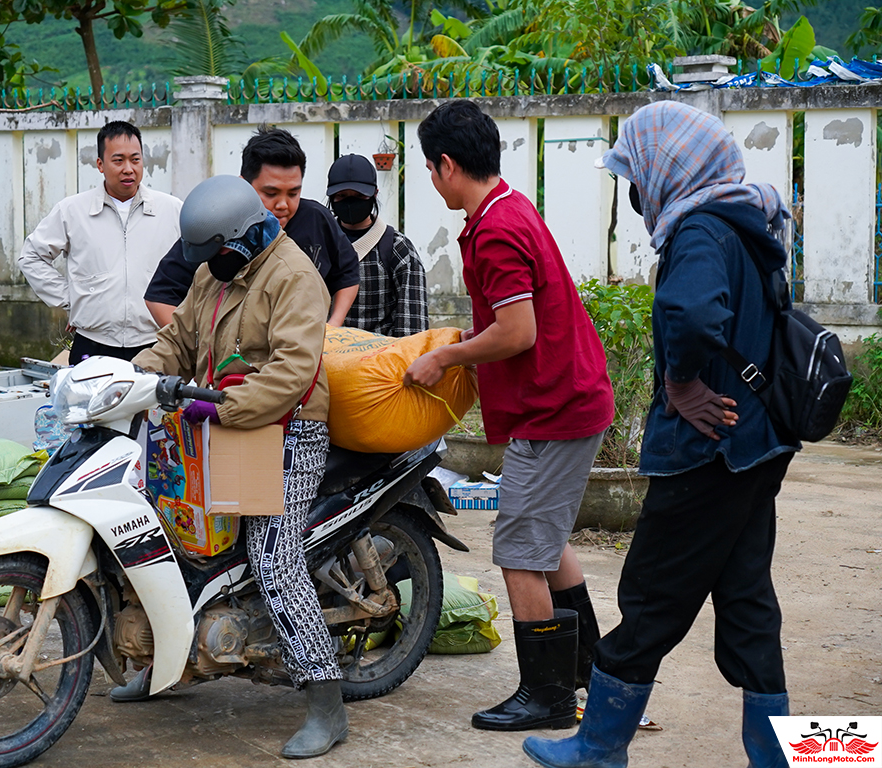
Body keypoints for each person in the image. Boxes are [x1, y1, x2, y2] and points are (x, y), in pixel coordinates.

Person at [523, 101, 799, 768]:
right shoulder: (747, 219)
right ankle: (779, 755)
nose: (634, 191)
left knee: (650, 597)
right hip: (754, 445)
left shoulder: (700, 229)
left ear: (666, 171)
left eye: (635, 175)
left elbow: (693, 315)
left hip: (707, 453)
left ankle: (598, 746)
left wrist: (680, 382)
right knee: (747, 602)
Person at [403, 100, 614, 732]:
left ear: (447, 164)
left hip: (555, 408)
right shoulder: (508, 207)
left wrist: (447, 357)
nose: (432, 180)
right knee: (547, 543)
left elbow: (517, 332)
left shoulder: (495, 228)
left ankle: (546, 697)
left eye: (430, 169)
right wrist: (467, 341)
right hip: (569, 398)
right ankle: (590, 671)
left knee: (520, 550)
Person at [131, 175, 348, 760]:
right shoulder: (214, 274)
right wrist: (133, 379)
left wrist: (225, 406)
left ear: (245, 236)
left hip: (289, 429)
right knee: (165, 535)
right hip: (215, 421)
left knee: (273, 559)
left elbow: (292, 372)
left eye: (218, 253)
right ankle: (165, 662)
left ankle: (327, 703)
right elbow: (177, 341)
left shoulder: (295, 276)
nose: (211, 264)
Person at [144, 126, 360, 328]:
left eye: (293, 193)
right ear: (243, 185)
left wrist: (332, 327)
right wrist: (200, 347)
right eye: (271, 193)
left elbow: (347, 272)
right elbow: (159, 298)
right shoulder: (217, 224)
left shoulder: (317, 219)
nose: (283, 205)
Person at [18, 120, 182, 364]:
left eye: (135, 160)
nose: (128, 169)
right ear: (100, 164)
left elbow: (198, 268)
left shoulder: (172, 210)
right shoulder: (72, 211)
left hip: (156, 343)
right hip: (93, 343)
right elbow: (31, 257)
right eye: (118, 160)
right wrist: (71, 299)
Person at [326, 153, 428, 337]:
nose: (350, 202)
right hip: (325, 351)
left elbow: (413, 330)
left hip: (382, 353)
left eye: (359, 196)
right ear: (331, 197)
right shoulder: (319, 244)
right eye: (342, 196)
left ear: (375, 194)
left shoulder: (398, 249)